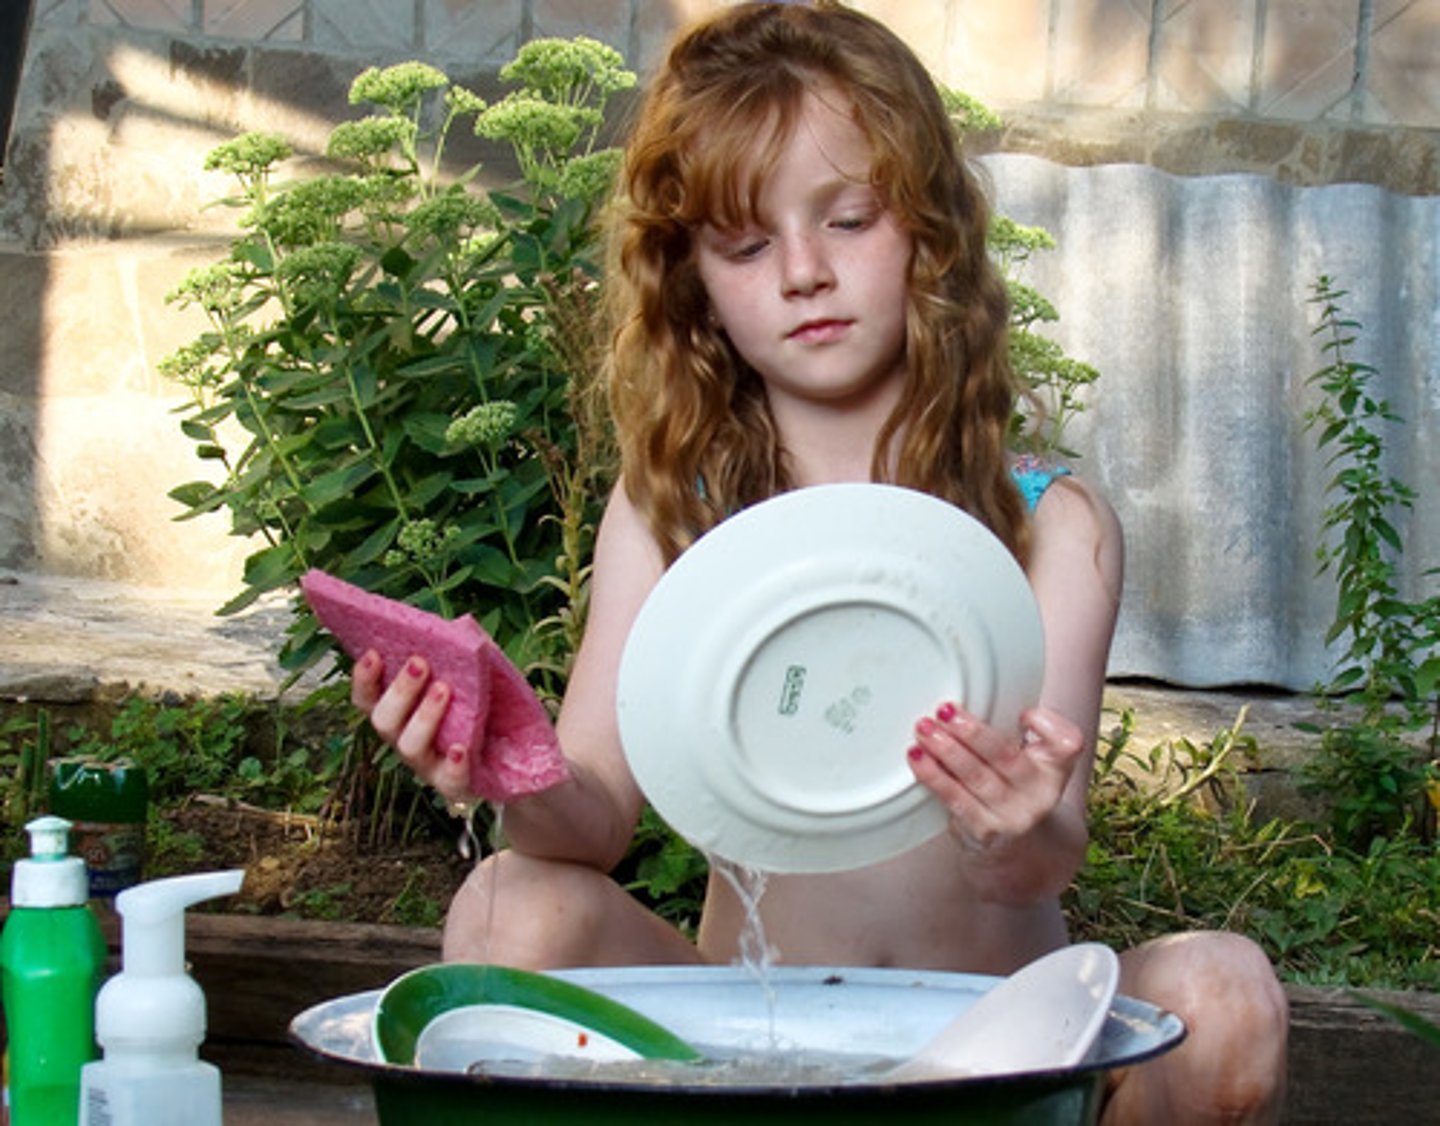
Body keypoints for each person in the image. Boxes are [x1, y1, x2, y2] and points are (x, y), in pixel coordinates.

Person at [354, 3, 1288, 1121]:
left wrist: (1013, 819)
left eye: (848, 220)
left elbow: (1039, 863)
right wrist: (508, 761)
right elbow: (591, 827)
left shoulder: (1049, 525)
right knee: (511, 905)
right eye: (747, 245)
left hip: (998, 1060)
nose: (803, 272)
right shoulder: (672, 515)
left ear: (930, 232)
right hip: (751, 1056)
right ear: (693, 281)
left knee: (1223, 990)